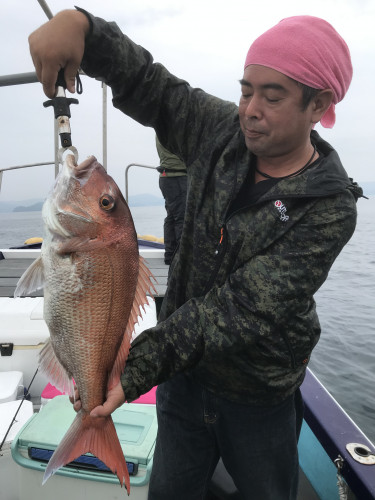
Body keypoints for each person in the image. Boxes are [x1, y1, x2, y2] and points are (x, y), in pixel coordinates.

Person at [29, 9, 363, 499]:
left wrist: (135, 370)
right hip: (183, 386)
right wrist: (86, 32)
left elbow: (240, 311)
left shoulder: (329, 208)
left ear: (319, 104)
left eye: (272, 96)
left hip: (259, 397)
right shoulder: (221, 132)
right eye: (247, 90)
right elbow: (156, 88)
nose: (250, 109)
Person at [155, 135, 188, 265]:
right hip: (177, 177)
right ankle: (182, 258)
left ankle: (170, 255)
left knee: (171, 217)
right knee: (181, 218)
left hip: (166, 177)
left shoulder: (160, 128)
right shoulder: (173, 127)